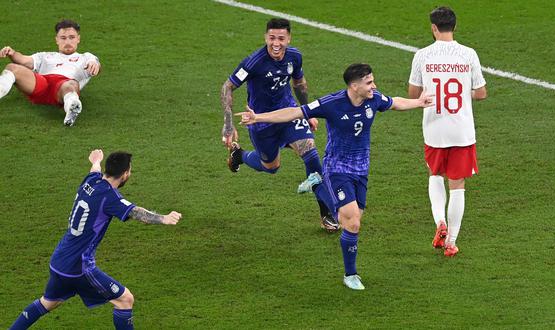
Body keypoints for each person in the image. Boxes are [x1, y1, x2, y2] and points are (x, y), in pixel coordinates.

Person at [237, 63, 433, 290]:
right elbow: (295, 112)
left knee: (352, 219)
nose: (374, 86)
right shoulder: (332, 103)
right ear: (354, 85)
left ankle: (317, 185)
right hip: (337, 168)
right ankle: (351, 275)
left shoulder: (374, 99)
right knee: (352, 222)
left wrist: (419, 102)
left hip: (361, 170)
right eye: (369, 82)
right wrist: (259, 117)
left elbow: (395, 102)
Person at [9, 149, 182, 329]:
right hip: (79, 268)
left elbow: (94, 171)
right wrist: (164, 218)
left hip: (59, 261)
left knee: (48, 302)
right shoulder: (110, 197)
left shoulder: (90, 181)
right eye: (129, 171)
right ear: (124, 174)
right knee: (125, 300)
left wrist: (96, 161)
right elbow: (135, 213)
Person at [220, 18, 340, 232]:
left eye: (281, 38)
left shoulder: (295, 56)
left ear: (289, 38)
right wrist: (228, 124)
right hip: (261, 122)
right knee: (271, 167)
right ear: (266, 37)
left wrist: (307, 111)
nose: (276, 43)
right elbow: (227, 86)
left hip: (289, 115)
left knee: (311, 155)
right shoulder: (254, 62)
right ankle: (241, 156)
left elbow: (299, 83)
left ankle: (327, 213)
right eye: (272, 38)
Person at [408, 6, 487, 257]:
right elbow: (481, 93)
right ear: (455, 26)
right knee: (458, 185)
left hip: (434, 128)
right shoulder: (468, 54)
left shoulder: (422, 55)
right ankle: (451, 242)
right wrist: (466, 92)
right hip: (461, 129)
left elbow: (413, 94)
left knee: (434, 174)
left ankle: (439, 221)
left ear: (433, 28)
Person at [0, 19, 101, 126]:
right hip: (41, 85)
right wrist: (12, 53)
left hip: (62, 88)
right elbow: (24, 61)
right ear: (56, 39)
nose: (67, 42)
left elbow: (95, 64)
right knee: (12, 68)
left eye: (72, 37)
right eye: (63, 38)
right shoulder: (45, 56)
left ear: (78, 39)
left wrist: (95, 66)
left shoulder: (86, 57)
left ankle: (71, 108)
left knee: (70, 84)